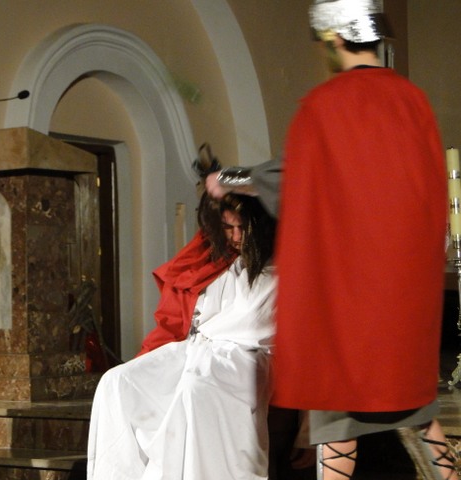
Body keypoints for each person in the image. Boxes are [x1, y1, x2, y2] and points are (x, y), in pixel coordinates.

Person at [206, 1, 458, 478]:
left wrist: (228, 178)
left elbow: (290, 178)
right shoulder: (414, 101)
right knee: (424, 423)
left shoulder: (325, 105)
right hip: (401, 310)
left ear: (335, 39)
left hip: (346, 309)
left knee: (338, 431)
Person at [87, 191, 277, 479]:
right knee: (117, 382)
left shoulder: (279, 268)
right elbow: (175, 321)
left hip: (247, 358)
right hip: (195, 349)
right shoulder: (213, 261)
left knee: (195, 388)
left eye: (243, 227)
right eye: (228, 228)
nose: (237, 236)